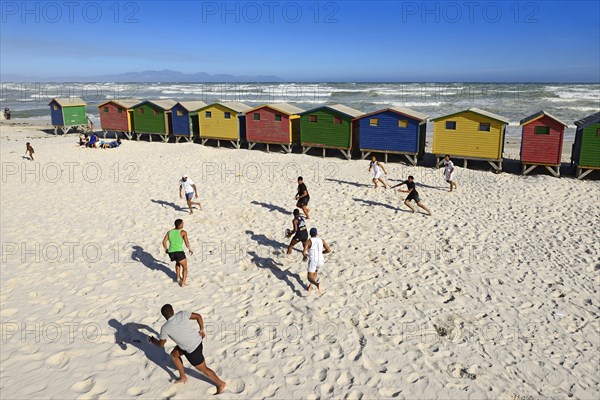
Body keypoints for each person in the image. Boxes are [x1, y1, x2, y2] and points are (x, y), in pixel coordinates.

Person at [149, 304, 226, 394]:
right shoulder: (182, 314)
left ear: (164, 316)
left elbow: (161, 344)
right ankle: (183, 377)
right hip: (197, 340)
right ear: (173, 310)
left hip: (192, 350)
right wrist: (201, 330)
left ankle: (221, 384)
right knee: (174, 355)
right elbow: (198, 316)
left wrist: (154, 341)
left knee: (204, 369)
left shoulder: (165, 328)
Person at [162, 219, 193, 287]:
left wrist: (166, 249)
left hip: (171, 252)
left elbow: (164, 241)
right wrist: (190, 249)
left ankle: (178, 278)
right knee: (185, 267)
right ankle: (183, 283)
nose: (183, 225)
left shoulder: (169, 232)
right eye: (182, 224)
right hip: (179, 252)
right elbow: (187, 243)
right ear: (179, 225)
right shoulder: (183, 232)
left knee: (178, 262)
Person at [302, 228, 331, 292]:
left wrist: (304, 256)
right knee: (315, 271)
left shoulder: (309, 241)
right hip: (321, 260)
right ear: (316, 233)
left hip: (313, 260)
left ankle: (316, 284)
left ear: (310, 234)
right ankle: (310, 287)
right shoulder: (322, 240)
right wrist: (322, 252)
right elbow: (329, 250)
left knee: (309, 277)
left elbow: (304, 252)